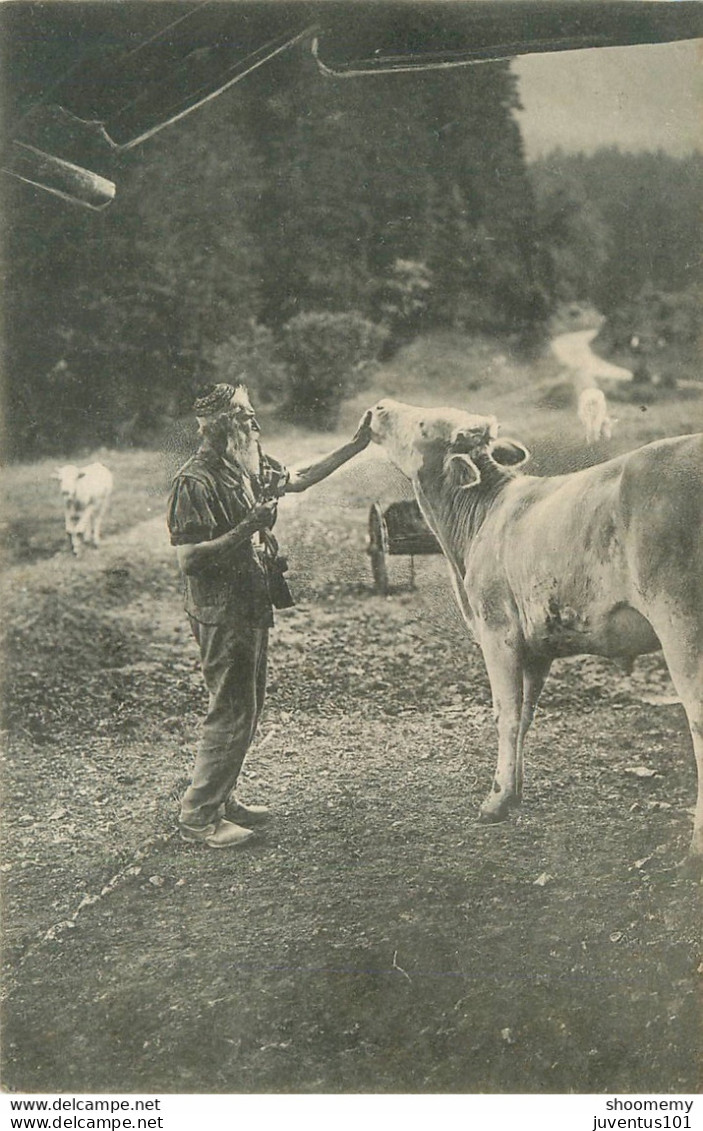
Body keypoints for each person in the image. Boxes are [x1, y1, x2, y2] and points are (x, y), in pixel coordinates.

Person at [167, 381, 372, 848]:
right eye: (245, 415)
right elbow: (190, 559)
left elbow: (298, 477)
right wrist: (248, 528)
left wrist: (356, 446)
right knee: (232, 709)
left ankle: (222, 798)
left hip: (248, 602)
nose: (255, 422)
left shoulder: (243, 466)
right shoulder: (194, 481)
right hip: (222, 612)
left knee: (247, 706)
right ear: (220, 426)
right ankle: (199, 816)